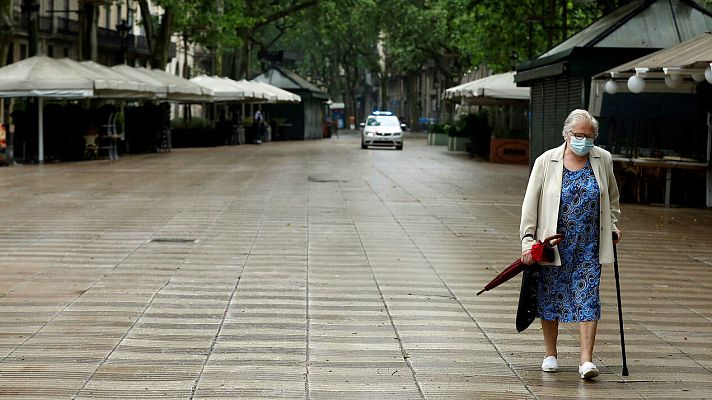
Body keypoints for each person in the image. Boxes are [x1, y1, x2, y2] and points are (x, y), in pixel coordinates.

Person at [520, 109, 621, 380]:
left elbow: (611, 199)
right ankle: (550, 353)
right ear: (566, 134)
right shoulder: (546, 161)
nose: (585, 140)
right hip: (554, 243)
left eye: (590, 136)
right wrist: (528, 241)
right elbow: (530, 204)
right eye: (579, 135)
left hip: (589, 244)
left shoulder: (603, 159)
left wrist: (611, 227)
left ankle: (586, 361)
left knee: (588, 296)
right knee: (551, 296)